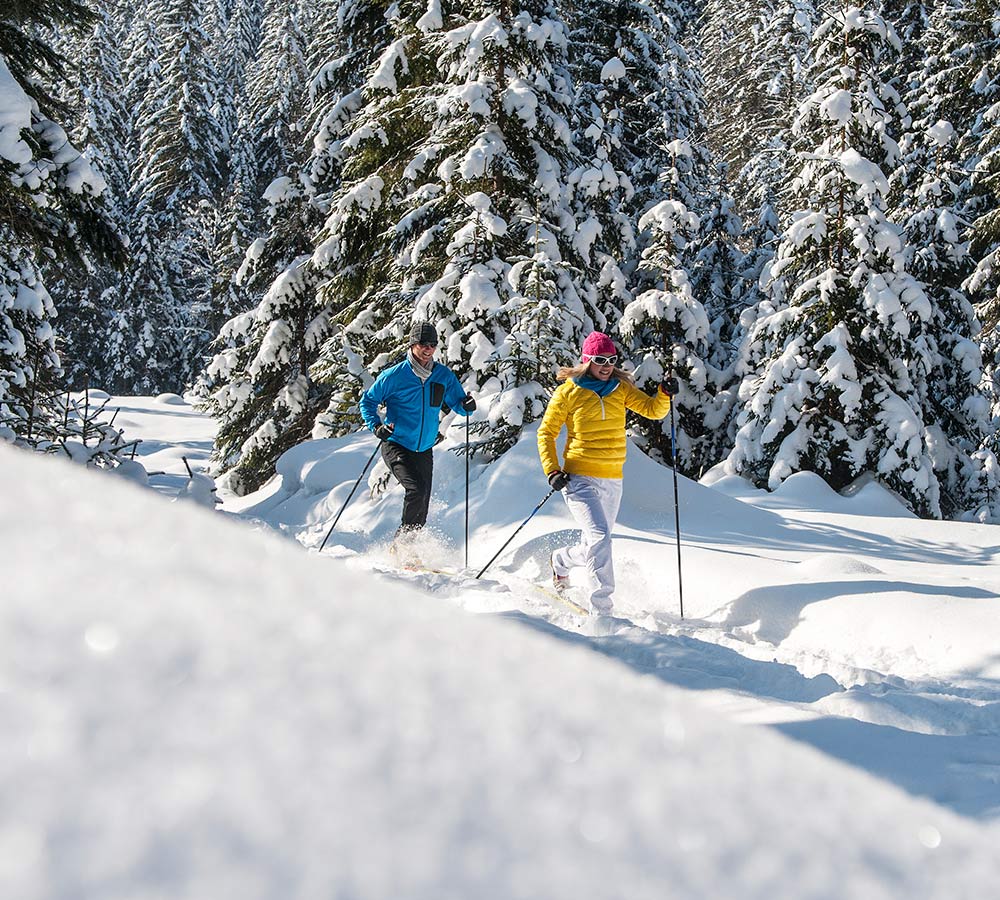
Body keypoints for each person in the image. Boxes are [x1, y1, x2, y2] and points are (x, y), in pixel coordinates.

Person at [537, 330, 678, 622]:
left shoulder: (620, 389)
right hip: (578, 478)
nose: (606, 365)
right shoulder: (568, 391)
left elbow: (652, 410)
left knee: (595, 544)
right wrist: (552, 469)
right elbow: (546, 433)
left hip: (613, 478)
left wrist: (664, 394)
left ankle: (561, 560)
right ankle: (602, 611)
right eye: (600, 360)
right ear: (587, 360)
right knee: (601, 538)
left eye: (611, 360)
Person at [360, 321, 476, 555]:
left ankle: (409, 548)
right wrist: (376, 427)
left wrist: (467, 406)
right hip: (396, 444)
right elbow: (368, 402)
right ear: (413, 344)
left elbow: (459, 404)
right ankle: (402, 545)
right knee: (416, 490)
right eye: (423, 344)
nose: (428, 349)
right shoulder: (394, 376)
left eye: (432, 344)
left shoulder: (442, 375)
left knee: (423, 499)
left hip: (424, 448)